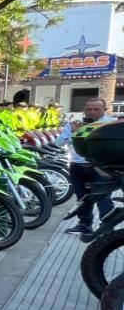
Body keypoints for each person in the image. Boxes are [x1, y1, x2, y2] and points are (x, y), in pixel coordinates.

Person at [62, 97, 114, 234]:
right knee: (82, 198)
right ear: (84, 110)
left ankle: (107, 228)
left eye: (96, 109)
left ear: (105, 110)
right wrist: (74, 132)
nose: (92, 112)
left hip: (101, 167)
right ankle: (85, 226)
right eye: (89, 109)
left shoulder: (111, 124)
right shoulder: (75, 124)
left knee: (104, 198)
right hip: (77, 166)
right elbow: (58, 143)